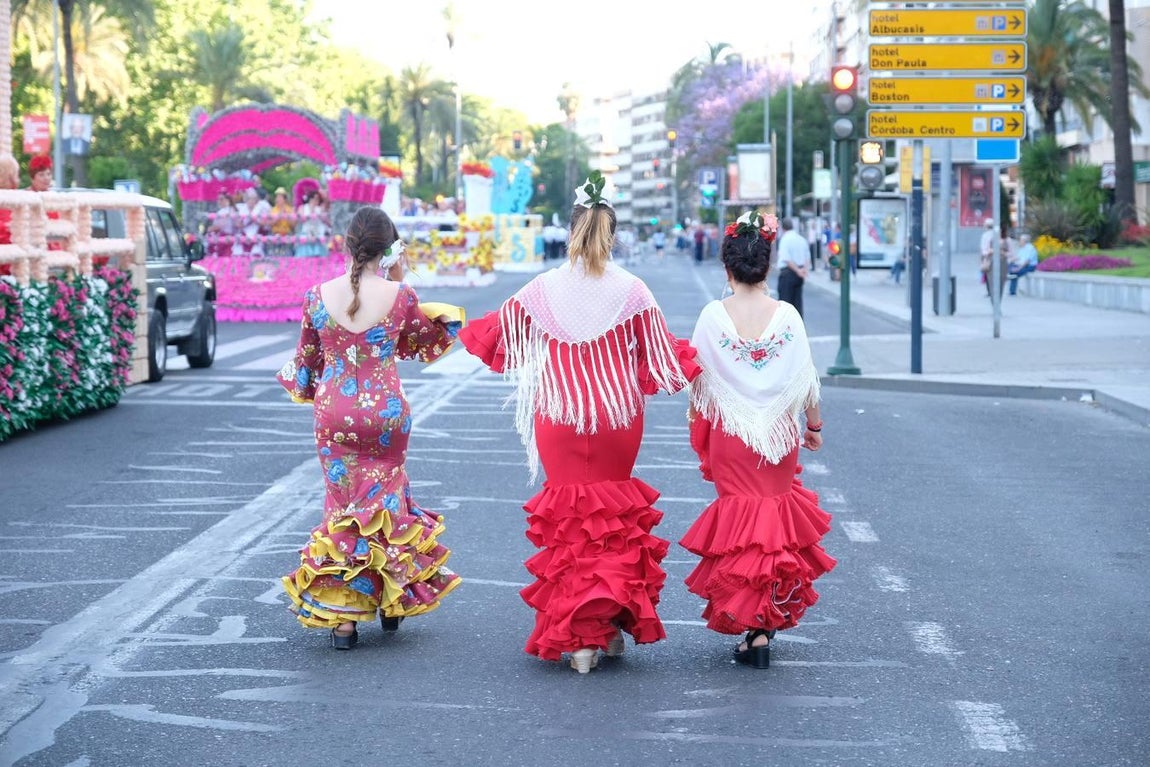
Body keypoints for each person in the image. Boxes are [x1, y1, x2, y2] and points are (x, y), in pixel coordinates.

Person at [458, 171, 699, 674]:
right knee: (612, 523)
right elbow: (659, 357)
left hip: (560, 415)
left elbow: (497, 336)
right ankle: (607, 629)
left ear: (571, 230)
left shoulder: (541, 289)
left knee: (572, 526)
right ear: (610, 233)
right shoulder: (632, 290)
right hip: (616, 415)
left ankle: (581, 640)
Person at [276, 206, 463, 650]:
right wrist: (402, 277)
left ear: (347, 244)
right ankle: (392, 601)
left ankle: (344, 621)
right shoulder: (400, 295)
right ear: (389, 247)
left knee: (342, 507)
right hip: (386, 413)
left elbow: (306, 366)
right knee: (387, 503)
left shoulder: (316, 296)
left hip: (334, 412)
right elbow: (425, 341)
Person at [681, 210, 836, 670]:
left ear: (727, 269)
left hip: (733, 433)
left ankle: (751, 622)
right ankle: (762, 628)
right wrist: (813, 427)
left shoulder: (713, 315)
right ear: (766, 267)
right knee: (771, 528)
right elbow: (805, 380)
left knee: (741, 530)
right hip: (778, 435)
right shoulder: (786, 315)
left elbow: (697, 381)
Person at [775, 217, 810, 317]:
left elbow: (786, 258)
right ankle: (798, 328)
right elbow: (807, 257)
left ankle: (786, 329)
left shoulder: (785, 239)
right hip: (799, 274)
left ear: (783, 228)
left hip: (788, 273)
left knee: (785, 306)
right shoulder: (801, 239)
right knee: (797, 303)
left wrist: (797, 270)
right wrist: (803, 270)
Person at [295, 189, 329, 257]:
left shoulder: (320, 209)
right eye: (314, 198)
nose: (315, 200)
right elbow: (300, 218)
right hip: (306, 233)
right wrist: (310, 212)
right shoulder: (303, 207)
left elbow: (325, 219)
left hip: (318, 233)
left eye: (317, 199)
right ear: (310, 198)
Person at [980, 218, 1006, 299]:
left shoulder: (986, 235)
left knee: (988, 274)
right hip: (994, 255)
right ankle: (993, 291)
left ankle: (991, 291)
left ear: (987, 226)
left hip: (987, 256)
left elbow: (984, 247)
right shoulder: (996, 234)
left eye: (984, 224)